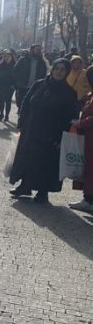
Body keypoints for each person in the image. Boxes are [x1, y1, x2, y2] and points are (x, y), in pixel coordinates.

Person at [9, 58, 77, 204]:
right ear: (52, 69)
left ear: (66, 73)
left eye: (62, 70)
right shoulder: (39, 84)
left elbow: (71, 116)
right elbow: (26, 103)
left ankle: (42, 192)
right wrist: (21, 123)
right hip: (32, 129)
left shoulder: (69, 93)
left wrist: (61, 137)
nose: (59, 72)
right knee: (28, 158)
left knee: (46, 163)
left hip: (51, 135)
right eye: (57, 68)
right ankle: (25, 186)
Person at [68, 66, 93, 213]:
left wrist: (81, 123)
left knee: (90, 169)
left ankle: (89, 199)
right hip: (88, 137)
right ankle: (88, 197)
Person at [14, 44, 49, 108]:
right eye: (37, 49)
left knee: (31, 105)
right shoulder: (23, 60)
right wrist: (18, 82)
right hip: (23, 86)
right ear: (32, 50)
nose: (38, 51)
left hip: (35, 88)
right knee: (21, 104)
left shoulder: (42, 62)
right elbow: (15, 71)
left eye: (40, 50)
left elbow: (44, 74)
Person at [0, 50, 17, 122]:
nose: (7, 58)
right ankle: (1, 114)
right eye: (5, 56)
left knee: (8, 101)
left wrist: (14, 85)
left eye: (9, 56)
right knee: (1, 100)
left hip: (10, 86)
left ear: (12, 57)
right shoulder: (0, 65)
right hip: (1, 86)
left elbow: (17, 76)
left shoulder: (15, 65)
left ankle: (7, 115)